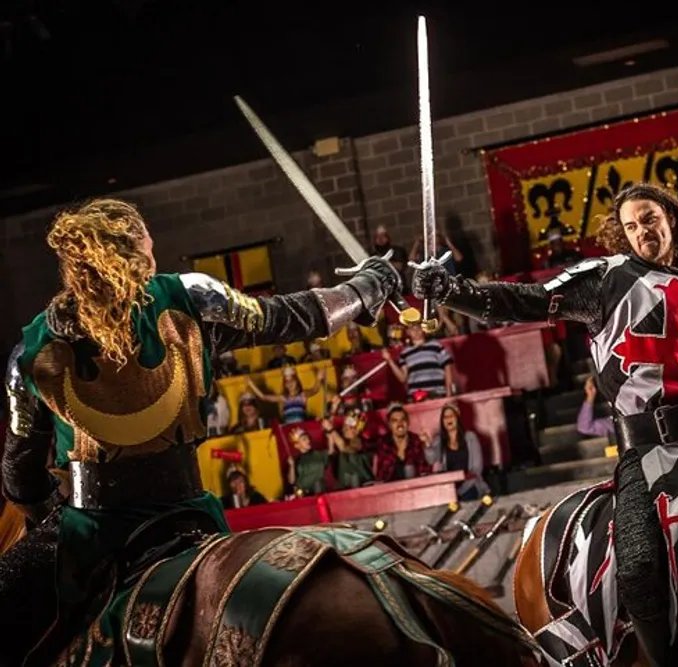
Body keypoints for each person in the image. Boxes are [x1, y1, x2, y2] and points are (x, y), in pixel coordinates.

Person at [0, 198, 401, 664]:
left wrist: (45, 511)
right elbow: (294, 318)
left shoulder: (31, 352)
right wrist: (369, 287)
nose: (154, 251)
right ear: (138, 254)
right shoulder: (192, 299)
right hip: (188, 515)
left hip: (92, 530)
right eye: (148, 243)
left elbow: (19, 475)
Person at [413, 181, 678, 665]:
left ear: (671, 218)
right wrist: (454, 291)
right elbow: (526, 301)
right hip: (647, 456)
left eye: (649, 218)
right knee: (640, 566)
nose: (642, 230)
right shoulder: (607, 278)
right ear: (621, 235)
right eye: (631, 225)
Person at [423, 404, 490, 500]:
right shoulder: (439, 440)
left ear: (457, 417)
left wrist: (459, 492)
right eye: (445, 417)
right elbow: (431, 459)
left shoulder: (470, 437)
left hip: (470, 485)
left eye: (451, 415)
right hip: (449, 489)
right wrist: (427, 444)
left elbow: (476, 470)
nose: (448, 419)